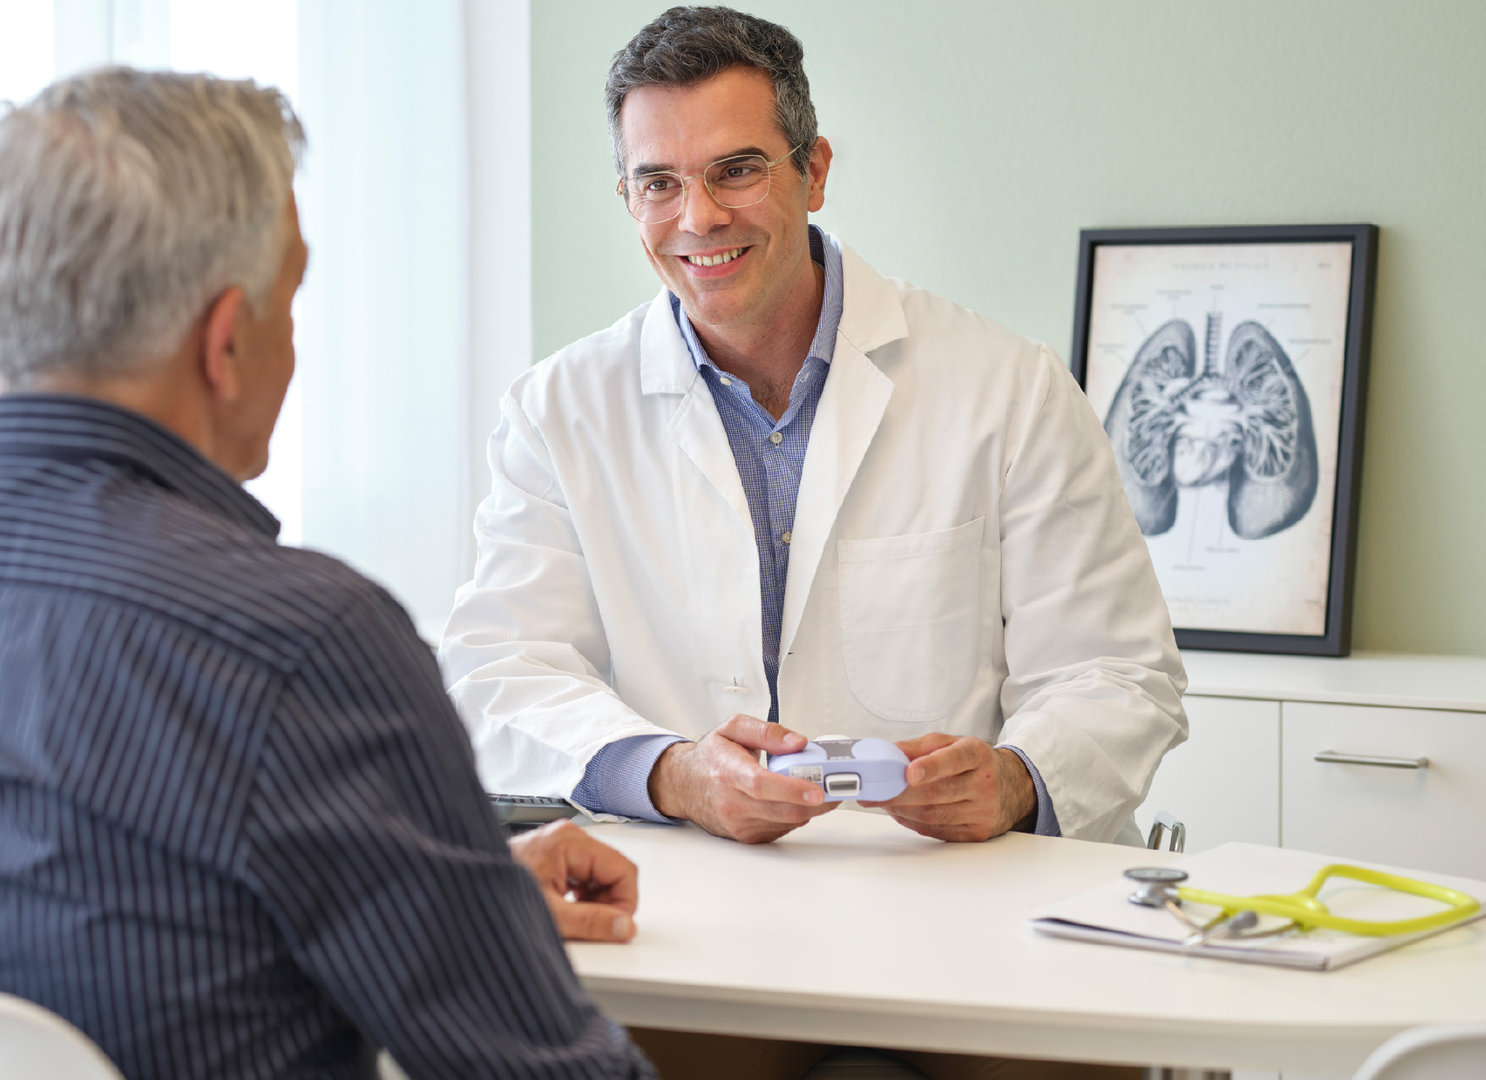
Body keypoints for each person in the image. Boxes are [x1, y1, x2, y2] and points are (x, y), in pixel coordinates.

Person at [0, 69, 654, 1080]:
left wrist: (444, 883)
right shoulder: (302, 639)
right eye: (292, 295)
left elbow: (75, 920)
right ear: (227, 340)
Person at [441, 5, 1186, 852]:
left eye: (737, 170)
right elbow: (499, 672)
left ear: (815, 169)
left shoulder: (1009, 387)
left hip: (948, 904)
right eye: (659, 182)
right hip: (684, 906)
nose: (699, 217)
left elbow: (1119, 672)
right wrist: (673, 774)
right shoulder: (558, 412)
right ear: (628, 196)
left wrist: (1015, 781)